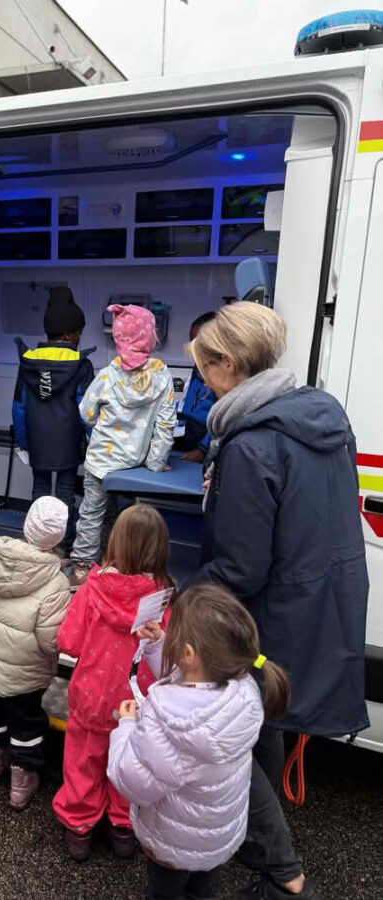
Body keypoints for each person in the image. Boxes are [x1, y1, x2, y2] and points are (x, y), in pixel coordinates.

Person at [188, 302, 369, 899]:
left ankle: (281, 875)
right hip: (316, 606)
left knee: (239, 744)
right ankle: (262, 854)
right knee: (264, 732)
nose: (201, 380)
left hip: (268, 621)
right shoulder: (319, 416)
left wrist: (180, 601)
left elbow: (240, 566)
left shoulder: (250, 445)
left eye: (204, 368)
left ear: (230, 365)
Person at [108, 583, 290, 900]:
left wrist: (126, 726)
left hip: (173, 843)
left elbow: (130, 780)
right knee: (203, 893)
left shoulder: (167, 724)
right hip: (216, 840)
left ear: (189, 654)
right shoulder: (243, 691)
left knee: (166, 894)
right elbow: (195, 685)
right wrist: (158, 645)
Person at [52, 504, 174, 861]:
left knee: (83, 761)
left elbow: (68, 642)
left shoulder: (93, 588)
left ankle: (79, 828)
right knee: (131, 764)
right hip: (138, 703)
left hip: (91, 694)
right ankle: (122, 827)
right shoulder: (164, 595)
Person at [0, 496, 70, 811]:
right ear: (59, 537)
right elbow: (51, 642)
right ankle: (21, 785)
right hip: (23, 676)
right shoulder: (56, 583)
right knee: (26, 725)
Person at [69, 304, 176, 584]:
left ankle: (82, 568)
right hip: (133, 468)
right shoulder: (163, 377)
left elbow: (86, 413)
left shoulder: (107, 375)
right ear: (151, 338)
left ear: (118, 339)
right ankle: (116, 564)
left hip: (100, 463)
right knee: (123, 518)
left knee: (91, 513)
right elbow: (166, 426)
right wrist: (154, 463)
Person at [12, 287, 95, 556]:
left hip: (38, 441)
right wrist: (94, 440)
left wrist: (23, 443)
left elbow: (19, 406)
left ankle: (37, 544)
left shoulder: (28, 361)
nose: (80, 338)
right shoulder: (81, 364)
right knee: (65, 494)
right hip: (68, 443)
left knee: (39, 490)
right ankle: (63, 545)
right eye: (79, 332)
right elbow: (87, 410)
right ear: (70, 334)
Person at [172, 311, 216, 464]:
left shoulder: (221, 374)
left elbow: (223, 422)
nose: (192, 349)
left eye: (197, 344)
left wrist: (203, 450)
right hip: (187, 422)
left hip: (199, 431)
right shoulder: (199, 366)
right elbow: (190, 401)